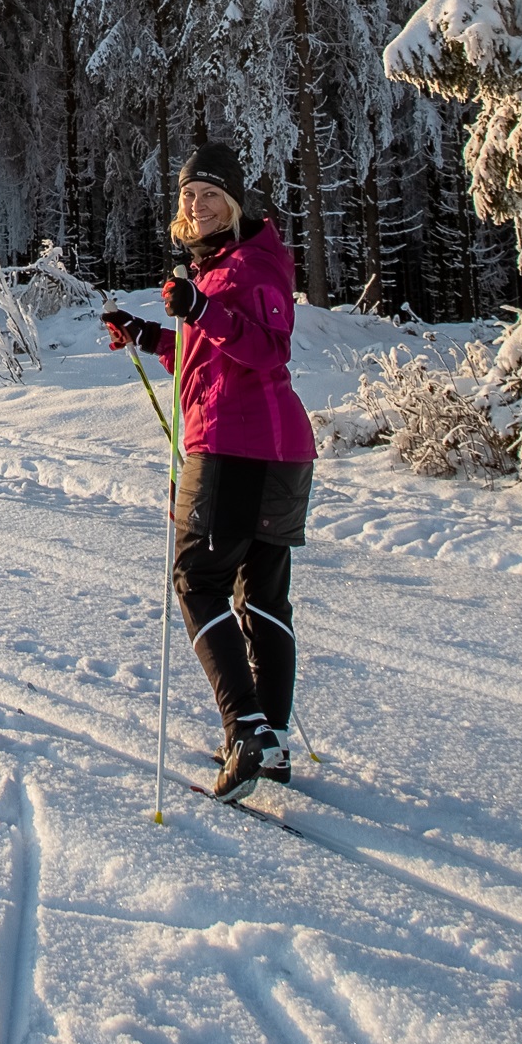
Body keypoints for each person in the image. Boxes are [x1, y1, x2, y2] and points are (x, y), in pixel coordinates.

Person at [99, 142, 314, 799]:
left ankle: (246, 726)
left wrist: (200, 308)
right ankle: (270, 742)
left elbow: (267, 343)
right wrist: (149, 333)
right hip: (272, 450)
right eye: (189, 195)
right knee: (262, 592)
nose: (196, 206)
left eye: (210, 195)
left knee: (196, 580)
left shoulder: (254, 261)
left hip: (238, 446)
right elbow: (209, 355)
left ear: (235, 204)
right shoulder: (219, 267)